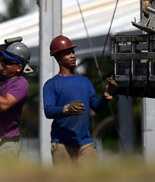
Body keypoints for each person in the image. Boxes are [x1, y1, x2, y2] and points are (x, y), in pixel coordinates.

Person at [42, 35, 115, 165]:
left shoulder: (85, 82)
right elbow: (48, 111)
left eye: (73, 52)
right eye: (67, 53)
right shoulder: (51, 84)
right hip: (61, 143)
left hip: (85, 143)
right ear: (58, 58)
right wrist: (66, 109)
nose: (72, 55)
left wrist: (106, 97)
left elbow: (96, 106)